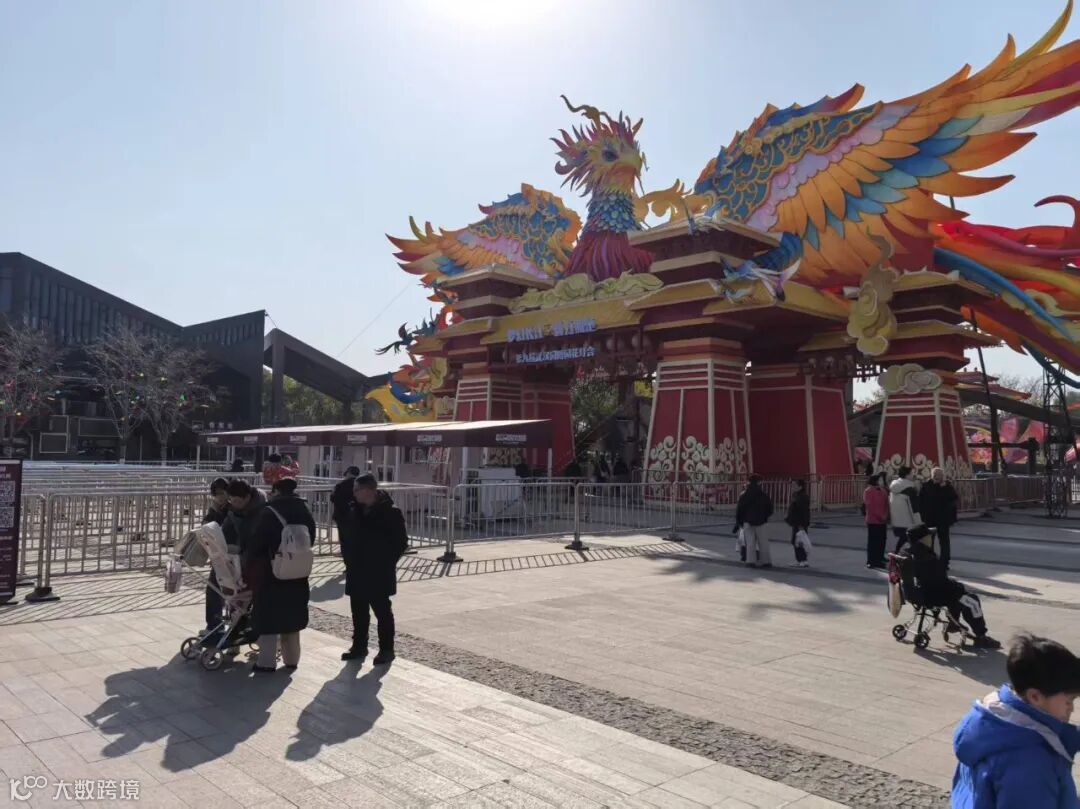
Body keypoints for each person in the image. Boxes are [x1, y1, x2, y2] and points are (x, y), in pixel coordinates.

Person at [952, 634, 1080, 808]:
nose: (1071, 709)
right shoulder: (1031, 764)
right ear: (1035, 696)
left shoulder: (991, 722)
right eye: (1069, 700)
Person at [244, 478, 314, 673]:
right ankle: (292, 660)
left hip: (272, 571)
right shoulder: (305, 510)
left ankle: (266, 662)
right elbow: (311, 538)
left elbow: (257, 543)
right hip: (298, 572)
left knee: (269, 616)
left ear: (275, 491)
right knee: (292, 616)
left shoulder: (270, 512)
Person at [340, 474, 409, 664]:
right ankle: (359, 646)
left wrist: (385, 561)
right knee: (358, 611)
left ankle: (386, 649)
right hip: (357, 568)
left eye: (357, 490)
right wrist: (349, 558)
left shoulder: (390, 512)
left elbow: (401, 542)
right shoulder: (354, 510)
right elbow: (347, 536)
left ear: (368, 490)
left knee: (382, 611)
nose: (354, 493)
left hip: (378, 571)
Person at [901, 525, 1000, 650]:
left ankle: (954, 623)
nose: (932, 538)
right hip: (933, 595)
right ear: (923, 539)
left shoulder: (908, 553)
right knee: (971, 600)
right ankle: (981, 636)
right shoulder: (926, 558)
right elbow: (940, 583)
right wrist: (958, 587)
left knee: (959, 595)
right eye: (929, 536)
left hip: (921, 592)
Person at [202, 478, 230, 633]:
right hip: (219, 555)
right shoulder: (215, 509)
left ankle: (218, 625)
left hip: (231, 556)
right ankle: (214, 624)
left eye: (222, 493)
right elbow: (206, 527)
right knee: (214, 588)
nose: (219, 497)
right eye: (216, 494)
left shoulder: (232, 509)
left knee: (217, 588)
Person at [921, 467, 959, 569]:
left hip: (943, 519)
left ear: (942, 476)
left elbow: (954, 499)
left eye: (939, 475)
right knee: (929, 541)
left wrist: (944, 488)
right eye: (935, 475)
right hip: (930, 518)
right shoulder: (926, 486)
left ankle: (944, 562)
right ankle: (929, 560)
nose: (937, 477)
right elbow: (921, 502)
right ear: (932, 476)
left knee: (944, 541)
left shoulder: (947, 486)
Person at [735, 474, 774, 568]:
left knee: (750, 542)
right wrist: (765, 516)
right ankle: (766, 561)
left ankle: (750, 561)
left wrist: (740, 521)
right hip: (761, 521)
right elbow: (770, 508)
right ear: (759, 482)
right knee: (763, 542)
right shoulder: (763, 495)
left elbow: (740, 509)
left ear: (749, 482)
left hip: (748, 521)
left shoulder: (744, 495)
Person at [889, 466, 921, 551]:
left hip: (897, 521)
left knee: (903, 539)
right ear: (907, 475)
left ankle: (896, 554)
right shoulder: (910, 488)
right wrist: (918, 522)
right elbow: (914, 507)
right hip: (909, 521)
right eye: (912, 473)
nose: (913, 475)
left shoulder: (894, 486)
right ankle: (897, 554)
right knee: (912, 541)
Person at [863, 473, 890, 569]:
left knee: (882, 540)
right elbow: (870, 506)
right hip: (873, 520)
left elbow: (887, 504)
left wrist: (885, 515)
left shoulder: (883, 491)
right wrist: (880, 516)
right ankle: (871, 561)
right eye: (880, 480)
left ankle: (880, 557)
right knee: (873, 541)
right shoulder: (868, 491)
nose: (882, 482)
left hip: (883, 520)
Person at [785, 479, 811, 568]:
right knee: (796, 541)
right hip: (795, 522)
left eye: (795, 485)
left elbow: (804, 512)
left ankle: (802, 560)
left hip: (800, 523)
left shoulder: (803, 497)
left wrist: (802, 524)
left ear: (800, 486)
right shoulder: (796, 495)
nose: (793, 487)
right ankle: (800, 560)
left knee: (799, 541)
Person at [331, 466, 361, 541]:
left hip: (342, 516)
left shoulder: (341, 485)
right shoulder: (361, 486)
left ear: (349, 473)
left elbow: (333, 498)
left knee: (344, 539)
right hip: (358, 515)